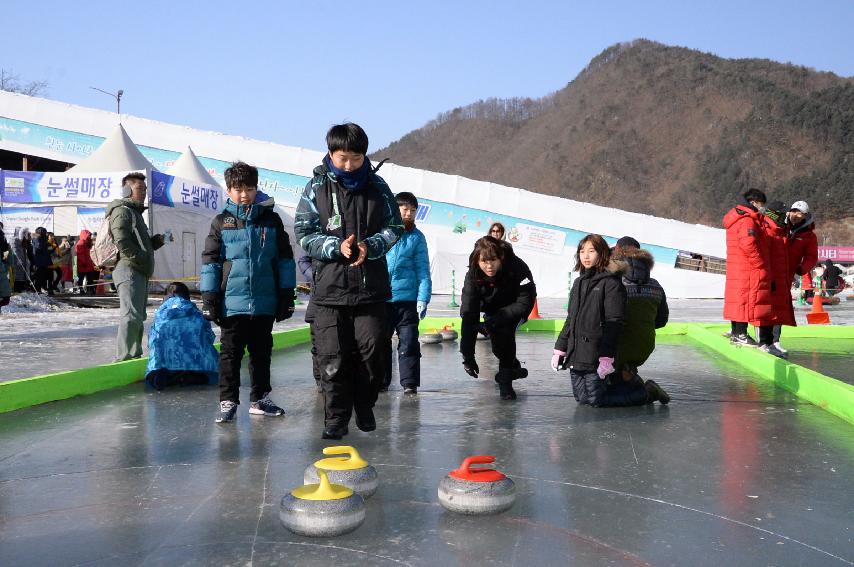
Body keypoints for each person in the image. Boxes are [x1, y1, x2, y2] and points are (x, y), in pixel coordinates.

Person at [293, 123, 404, 440]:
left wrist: (372, 247)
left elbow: (394, 227)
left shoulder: (378, 187)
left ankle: (364, 404)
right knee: (333, 360)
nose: (349, 165)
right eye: (343, 158)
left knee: (374, 354)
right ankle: (336, 419)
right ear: (330, 154)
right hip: (330, 290)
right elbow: (304, 232)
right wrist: (334, 248)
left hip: (371, 290)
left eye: (356, 158)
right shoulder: (316, 188)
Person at [201, 161, 296, 423]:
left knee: (262, 352)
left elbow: (285, 260)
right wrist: (209, 297)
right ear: (229, 190)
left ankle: (260, 398)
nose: (244, 194)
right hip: (232, 302)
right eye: (238, 188)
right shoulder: (221, 222)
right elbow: (211, 261)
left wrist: (287, 294)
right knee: (230, 353)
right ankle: (228, 400)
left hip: (264, 300)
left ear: (257, 189)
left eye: (249, 188)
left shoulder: (271, 220)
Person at [552, 234, 627, 407]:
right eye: (582, 251)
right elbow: (571, 318)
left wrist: (606, 356)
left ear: (601, 254)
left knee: (596, 400)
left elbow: (614, 322)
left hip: (596, 354)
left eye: (591, 251)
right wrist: (560, 349)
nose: (585, 256)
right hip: (576, 352)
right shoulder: (579, 282)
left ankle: (642, 392)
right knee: (581, 398)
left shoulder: (611, 284)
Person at [459, 236, 536, 401]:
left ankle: (505, 382)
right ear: (477, 262)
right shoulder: (472, 275)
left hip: (517, 306)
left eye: (493, 260)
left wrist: (494, 321)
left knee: (503, 331)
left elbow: (525, 301)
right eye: (484, 261)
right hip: (491, 308)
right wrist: (468, 357)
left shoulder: (517, 266)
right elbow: (468, 315)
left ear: (500, 258)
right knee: (497, 345)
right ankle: (513, 366)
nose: (489, 266)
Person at [107, 172, 166, 361]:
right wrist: (140, 257)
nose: (143, 193)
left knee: (137, 315)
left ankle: (133, 354)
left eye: (145, 189)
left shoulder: (135, 214)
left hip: (137, 268)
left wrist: (155, 242)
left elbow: (139, 242)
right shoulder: (122, 211)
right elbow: (121, 240)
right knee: (130, 315)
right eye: (139, 189)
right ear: (127, 189)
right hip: (129, 269)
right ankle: (124, 357)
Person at [609, 242, 671, 405]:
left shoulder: (614, 283)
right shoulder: (656, 286)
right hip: (645, 346)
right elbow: (662, 320)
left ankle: (647, 391)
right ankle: (628, 373)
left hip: (617, 348)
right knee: (623, 370)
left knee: (607, 393)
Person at [383, 191, 432, 394]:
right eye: (405, 209)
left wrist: (423, 297)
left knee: (409, 341)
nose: (409, 213)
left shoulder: (417, 238)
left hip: (407, 299)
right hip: (382, 298)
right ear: (395, 208)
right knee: (379, 342)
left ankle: (409, 383)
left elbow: (422, 269)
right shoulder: (382, 232)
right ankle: (380, 381)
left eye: (413, 210)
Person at [722, 188, 775, 348]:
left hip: (738, 266)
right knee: (745, 301)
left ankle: (735, 331)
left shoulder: (737, 217)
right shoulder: (747, 220)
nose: (762, 208)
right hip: (748, 267)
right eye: (761, 204)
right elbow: (748, 244)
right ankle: (741, 334)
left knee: (737, 299)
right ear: (753, 203)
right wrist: (760, 263)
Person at [145, 282, 219, 390]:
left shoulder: (160, 316)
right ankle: (193, 376)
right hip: (196, 363)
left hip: (164, 361)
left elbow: (152, 341)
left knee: (155, 370)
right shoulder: (198, 314)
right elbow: (209, 337)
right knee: (212, 372)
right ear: (187, 296)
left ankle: (162, 375)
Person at [784, 201, 817, 312]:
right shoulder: (781, 226)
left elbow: (811, 257)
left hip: (787, 274)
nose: (795, 215)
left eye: (799, 213)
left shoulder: (809, 236)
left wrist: (802, 268)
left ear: (805, 216)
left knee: (780, 308)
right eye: (793, 212)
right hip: (770, 270)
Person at [75, 229, 99, 295]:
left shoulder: (87, 242)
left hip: (88, 264)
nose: (89, 236)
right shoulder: (81, 243)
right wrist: (83, 262)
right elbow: (80, 254)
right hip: (83, 264)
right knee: (81, 278)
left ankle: (90, 290)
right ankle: (81, 290)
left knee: (90, 278)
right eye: (88, 235)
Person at [31, 227, 53, 295]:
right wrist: (47, 246)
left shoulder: (42, 239)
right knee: (39, 276)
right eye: (44, 233)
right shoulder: (37, 239)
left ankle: (40, 289)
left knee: (44, 276)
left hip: (44, 260)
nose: (45, 234)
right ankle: (37, 290)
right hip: (39, 261)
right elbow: (40, 247)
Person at [12, 227, 34, 293]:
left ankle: (22, 288)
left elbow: (24, 250)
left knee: (23, 275)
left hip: (23, 261)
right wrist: (18, 259)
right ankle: (17, 289)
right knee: (17, 276)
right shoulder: (14, 240)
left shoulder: (23, 241)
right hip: (17, 261)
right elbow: (15, 251)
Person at [0, 223, 12, 312]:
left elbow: (4, 247)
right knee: (5, 299)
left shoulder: (1, 235)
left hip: (2, 268)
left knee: (6, 299)